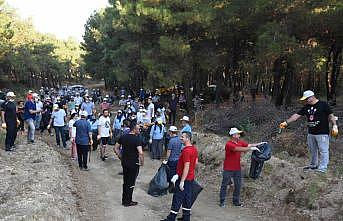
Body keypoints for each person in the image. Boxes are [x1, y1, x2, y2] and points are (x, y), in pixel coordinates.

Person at [279, 90, 338, 173]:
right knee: (312, 150)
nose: (305, 100)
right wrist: (286, 122)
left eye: (306, 99)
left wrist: (335, 126)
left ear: (311, 97)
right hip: (311, 133)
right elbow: (296, 116)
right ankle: (313, 165)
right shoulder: (306, 107)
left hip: (322, 133)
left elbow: (331, 116)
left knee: (323, 150)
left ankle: (322, 168)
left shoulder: (323, 105)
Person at [219, 127, 264, 207]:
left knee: (238, 185)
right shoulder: (229, 144)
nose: (239, 135)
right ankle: (222, 200)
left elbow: (248, 145)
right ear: (233, 135)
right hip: (228, 168)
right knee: (224, 184)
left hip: (237, 168)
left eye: (239, 134)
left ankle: (236, 201)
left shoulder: (240, 142)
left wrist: (259, 144)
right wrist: (250, 148)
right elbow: (238, 149)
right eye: (237, 134)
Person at [161, 131, 198, 221]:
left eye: (182, 137)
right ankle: (186, 217)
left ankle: (171, 218)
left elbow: (187, 166)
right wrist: (192, 174)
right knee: (187, 198)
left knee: (177, 197)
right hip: (190, 178)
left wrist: (181, 181)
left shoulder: (186, 151)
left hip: (184, 178)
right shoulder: (194, 149)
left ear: (188, 138)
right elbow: (196, 163)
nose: (180, 138)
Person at [113, 122, 144, 207]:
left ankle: (124, 200)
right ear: (134, 129)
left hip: (125, 162)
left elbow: (116, 148)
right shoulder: (137, 139)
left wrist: (120, 156)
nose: (139, 130)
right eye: (138, 129)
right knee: (131, 183)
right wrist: (142, 162)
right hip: (133, 163)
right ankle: (128, 201)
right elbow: (141, 153)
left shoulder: (123, 137)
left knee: (125, 181)